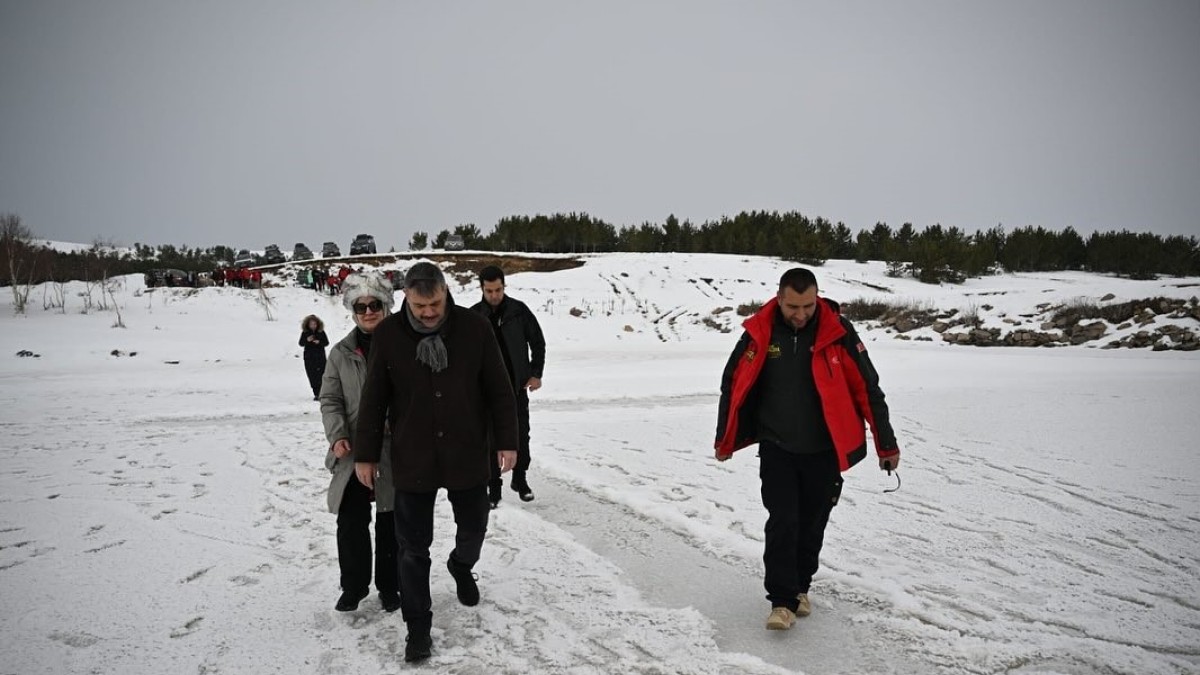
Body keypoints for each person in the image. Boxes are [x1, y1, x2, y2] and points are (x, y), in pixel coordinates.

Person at [714, 267, 900, 632]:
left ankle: (800, 587)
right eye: (793, 306)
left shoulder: (839, 332)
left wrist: (886, 443)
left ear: (817, 300)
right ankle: (781, 602)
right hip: (777, 446)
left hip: (825, 449)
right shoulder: (760, 333)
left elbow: (868, 388)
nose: (800, 314)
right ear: (779, 298)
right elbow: (732, 383)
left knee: (812, 522)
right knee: (783, 520)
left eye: (808, 306)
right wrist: (725, 440)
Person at [353, 262, 518, 664]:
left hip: (466, 452)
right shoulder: (389, 335)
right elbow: (374, 398)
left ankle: (462, 566)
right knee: (412, 549)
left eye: (435, 303)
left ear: (446, 291)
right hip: (414, 457)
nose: (428, 312)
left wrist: (508, 442)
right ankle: (418, 628)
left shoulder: (474, 329)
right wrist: (366, 454)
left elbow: (498, 389)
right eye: (420, 304)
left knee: (475, 527)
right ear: (406, 296)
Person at [319, 272, 400, 613]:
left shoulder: (404, 345)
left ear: (386, 306)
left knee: (391, 522)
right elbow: (330, 399)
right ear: (353, 310)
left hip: (393, 452)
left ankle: (391, 586)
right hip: (353, 452)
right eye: (361, 306)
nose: (368, 311)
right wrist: (337, 435)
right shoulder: (340, 353)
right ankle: (353, 587)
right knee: (351, 522)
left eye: (375, 304)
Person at [470, 265, 546, 508]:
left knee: (521, 436)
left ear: (504, 286)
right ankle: (494, 488)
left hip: (516, 388)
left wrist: (536, 374)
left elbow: (538, 343)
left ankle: (520, 480)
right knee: (490, 440)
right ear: (481, 288)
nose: (494, 295)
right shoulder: (474, 316)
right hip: (487, 393)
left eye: (498, 289)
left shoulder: (518, 311)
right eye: (489, 290)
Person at [299, 315, 329, 400]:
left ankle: (323, 393)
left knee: (322, 375)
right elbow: (301, 343)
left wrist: (319, 342)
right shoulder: (305, 333)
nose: (313, 326)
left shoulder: (321, 332)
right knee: (312, 376)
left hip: (320, 357)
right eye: (311, 324)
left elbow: (326, 343)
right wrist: (307, 340)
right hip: (309, 358)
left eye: (315, 324)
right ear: (307, 324)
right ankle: (316, 394)